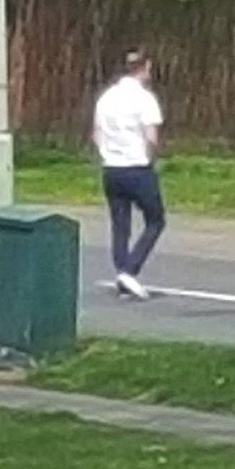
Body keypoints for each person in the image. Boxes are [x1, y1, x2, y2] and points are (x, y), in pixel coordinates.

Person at [93, 49, 166, 300]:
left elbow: (97, 134)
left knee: (120, 223)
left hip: (112, 168)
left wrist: (106, 154)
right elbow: (151, 137)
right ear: (144, 68)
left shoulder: (106, 99)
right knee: (155, 220)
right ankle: (130, 269)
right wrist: (151, 158)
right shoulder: (145, 99)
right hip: (137, 166)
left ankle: (123, 272)